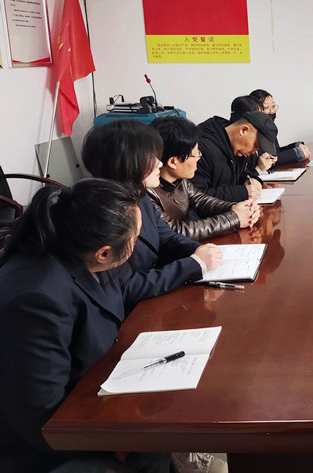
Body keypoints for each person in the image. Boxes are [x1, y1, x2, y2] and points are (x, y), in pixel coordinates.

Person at [0, 179, 175, 472]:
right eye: (135, 237)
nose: (138, 243)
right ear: (104, 253)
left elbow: (115, 296)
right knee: (150, 446)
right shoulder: (35, 299)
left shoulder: (78, 249)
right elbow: (41, 418)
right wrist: (115, 438)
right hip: (39, 445)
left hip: (89, 390)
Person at [82, 120, 222, 292]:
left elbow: (168, 237)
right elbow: (126, 287)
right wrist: (194, 265)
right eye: (151, 157)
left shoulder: (140, 195)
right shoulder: (103, 215)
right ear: (127, 163)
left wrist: (199, 250)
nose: (160, 163)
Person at [148, 116, 260, 241]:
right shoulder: (147, 193)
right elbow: (176, 231)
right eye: (195, 155)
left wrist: (239, 208)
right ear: (173, 162)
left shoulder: (180, 181)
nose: (198, 159)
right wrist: (235, 218)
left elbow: (202, 201)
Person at [193, 110, 278, 202]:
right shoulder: (200, 148)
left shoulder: (237, 149)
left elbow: (237, 176)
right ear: (244, 130)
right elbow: (195, 197)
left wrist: (251, 179)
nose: (254, 152)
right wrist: (242, 193)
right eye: (255, 146)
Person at [249, 89, 311, 165]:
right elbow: (265, 160)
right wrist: (297, 153)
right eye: (267, 108)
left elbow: (276, 152)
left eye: (273, 106)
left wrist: (297, 146)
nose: (272, 111)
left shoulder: (268, 127)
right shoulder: (252, 131)